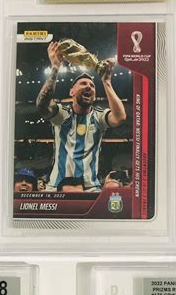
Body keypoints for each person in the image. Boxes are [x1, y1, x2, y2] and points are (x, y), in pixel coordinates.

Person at [36, 41, 127, 192]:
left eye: (92, 86)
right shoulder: (61, 114)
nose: (88, 87)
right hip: (56, 188)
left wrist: (106, 82)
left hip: (90, 189)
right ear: (71, 92)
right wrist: (55, 68)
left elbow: (120, 117)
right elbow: (42, 105)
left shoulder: (99, 116)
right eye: (83, 83)